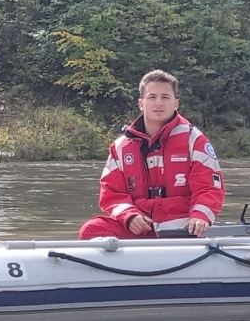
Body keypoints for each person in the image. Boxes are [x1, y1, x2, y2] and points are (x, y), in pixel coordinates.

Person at [79, 69, 224, 240]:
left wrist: (200, 217)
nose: (158, 103)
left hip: (183, 227)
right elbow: (112, 193)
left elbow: (209, 188)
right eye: (152, 97)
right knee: (91, 229)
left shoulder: (194, 140)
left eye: (165, 97)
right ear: (141, 103)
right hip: (140, 227)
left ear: (176, 103)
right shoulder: (121, 147)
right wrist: (129, 216)